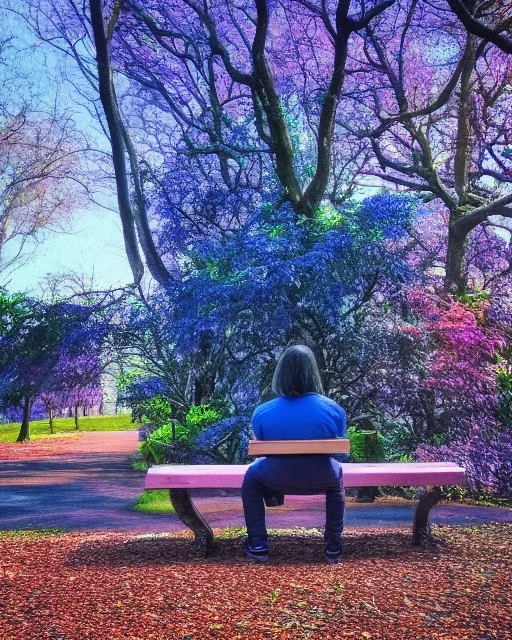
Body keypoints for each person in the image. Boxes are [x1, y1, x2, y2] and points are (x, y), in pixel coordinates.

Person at [241, 345, 347, 564]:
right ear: (313, 373)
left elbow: (259, 442)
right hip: (321, 476)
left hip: (275, 477)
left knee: (251, 478)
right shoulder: (333, 409)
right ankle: (333, 547)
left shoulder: (263, 411)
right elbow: (340, 441)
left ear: (281, 374)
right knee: (337, 479)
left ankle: (258, 545)